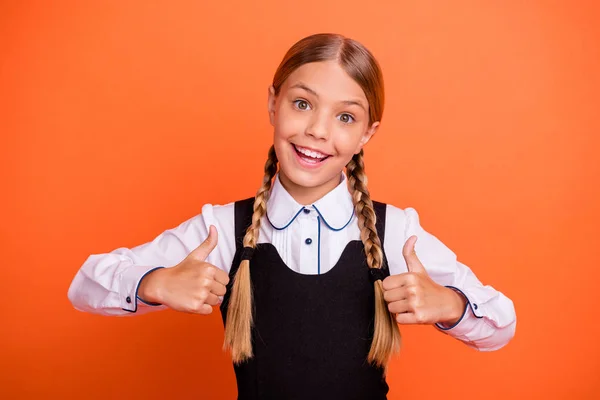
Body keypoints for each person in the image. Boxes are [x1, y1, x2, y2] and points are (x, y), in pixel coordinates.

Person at [67, 33, 516, 399]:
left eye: (345, 116)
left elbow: (502, 327)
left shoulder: (395, 231)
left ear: (367, 134)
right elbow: (83, 286)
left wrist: (452, 305)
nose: (318, 130)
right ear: (273, 103)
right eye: (302, 104)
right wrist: (154, 283)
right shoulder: (223, 230)